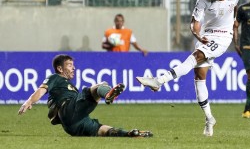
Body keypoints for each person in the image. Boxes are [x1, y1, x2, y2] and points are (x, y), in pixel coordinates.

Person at [136, 0, 239, 137]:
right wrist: (198, 36)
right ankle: (209, 119)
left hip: (223, 38)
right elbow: (194, 23)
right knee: (199, 76)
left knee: (196, 57)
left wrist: (234, 24)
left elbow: (234, 8)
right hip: (206, 36)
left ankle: (159, 81)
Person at [18, 54, 153, 137]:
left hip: (72, 125)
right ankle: (108, 94)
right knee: (98, 87)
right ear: (60, 68)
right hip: (69, 108)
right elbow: (41, 90)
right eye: (70, 65)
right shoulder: (54, 77)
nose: (74, 68)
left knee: (102, 130)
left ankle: (130, 134)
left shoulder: (68, 86)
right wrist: (29, 101)